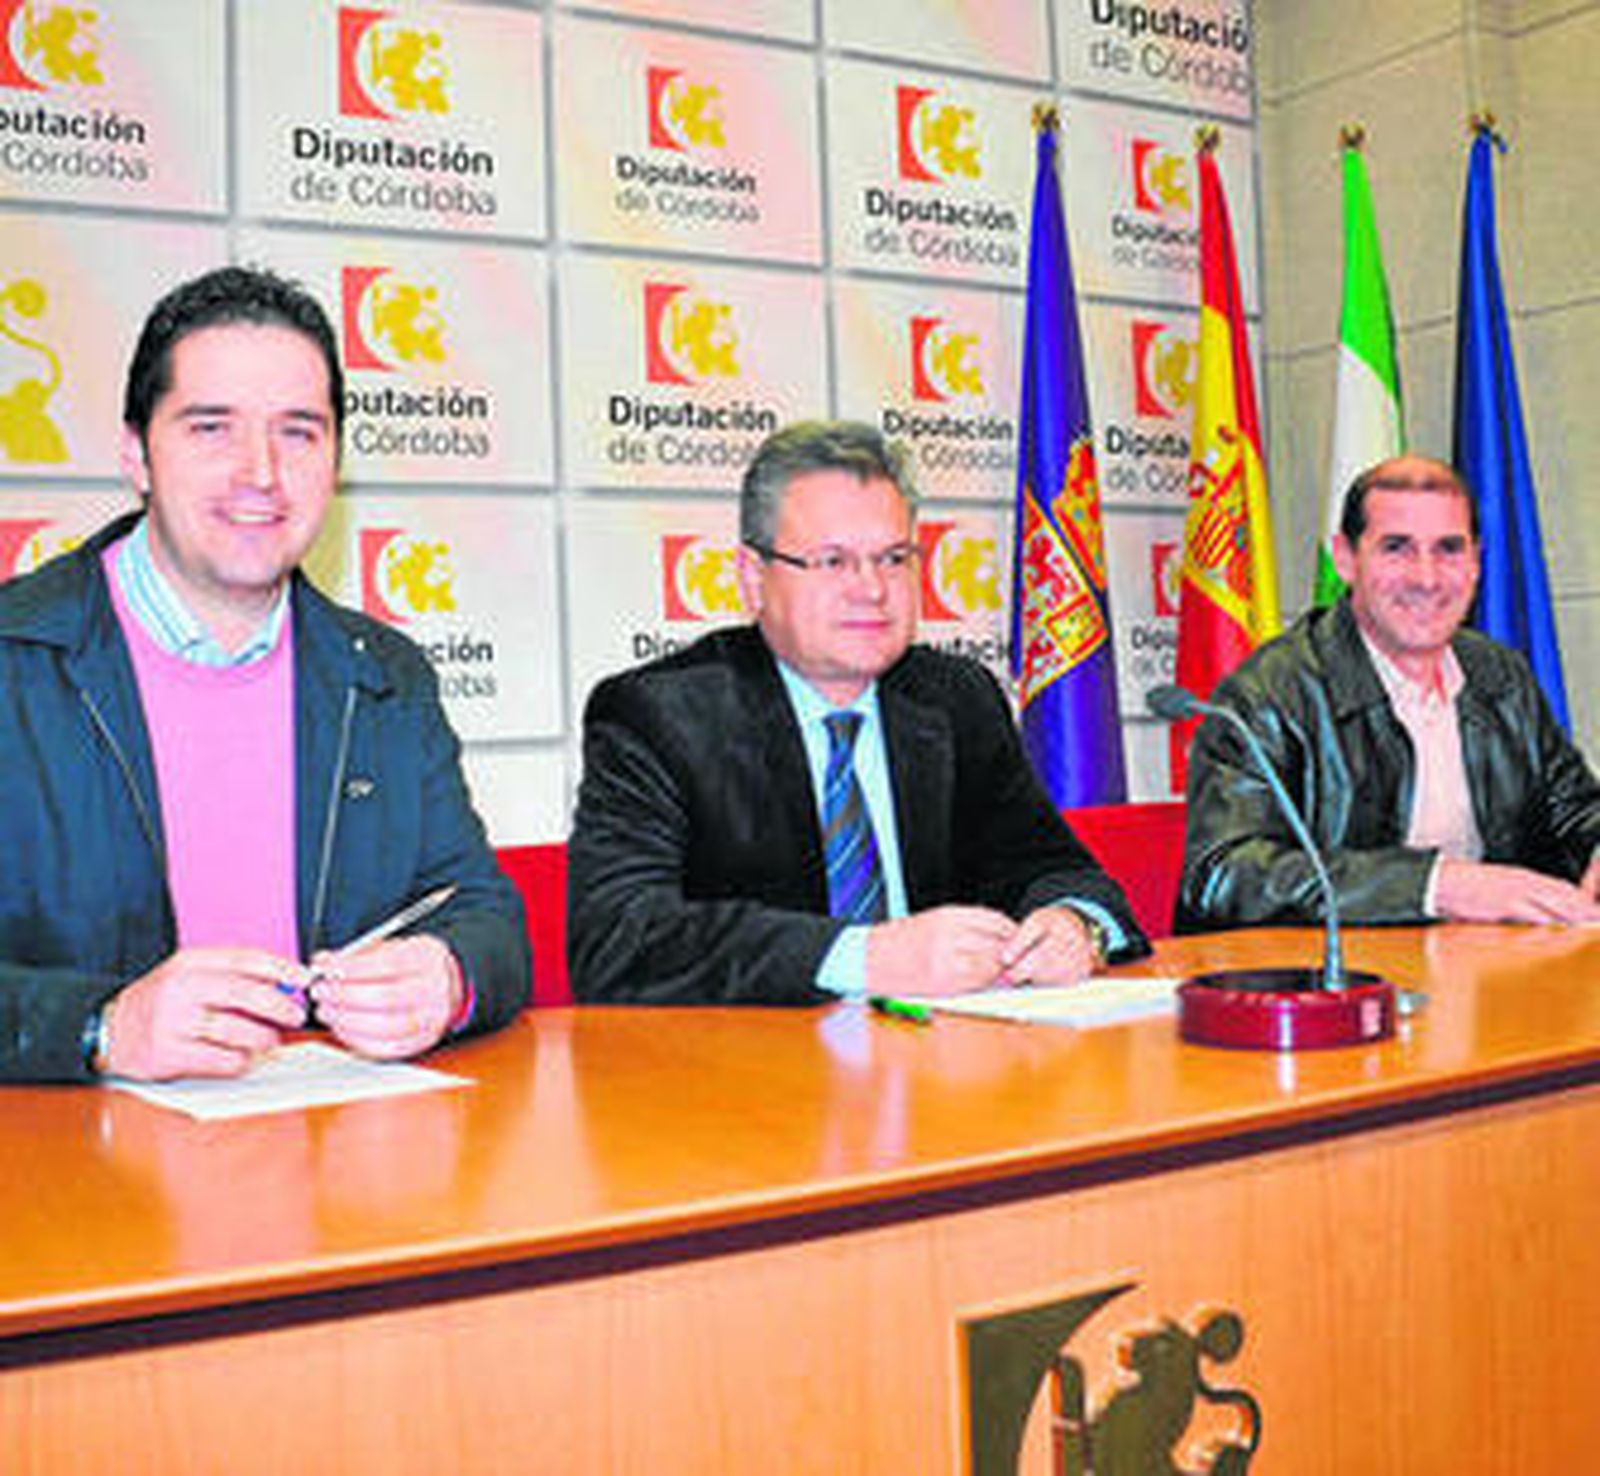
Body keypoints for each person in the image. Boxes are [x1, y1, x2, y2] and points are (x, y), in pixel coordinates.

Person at [0, 266, 529, 1083]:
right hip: (64, 1185)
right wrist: (98, 1026)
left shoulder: (384, 677)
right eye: (211, 428)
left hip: (333, 1175)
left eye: (298, 431)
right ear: (136, 454)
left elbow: (484, 914)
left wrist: (449, 978)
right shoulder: (14, 659)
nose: (261, 473)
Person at [568, 420, 1148, 1004]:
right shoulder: (661, 716)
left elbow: (1059, 871)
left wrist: (1077, 926)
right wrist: (862, 957)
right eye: (833, 562)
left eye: (894, 558)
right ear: (752, 578)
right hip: (759, 1078)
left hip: (948, 1069)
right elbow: (619, 939)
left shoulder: (955, 698)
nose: (871, 589)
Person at [1177, 452, 1600, 931]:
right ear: (1345, 558)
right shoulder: (1266, 694)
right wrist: (1435, 886)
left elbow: (1574, 813)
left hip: (1497, 975)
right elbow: (1224, 877)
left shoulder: (1500, 676)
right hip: (1340, 987)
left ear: (1477, 562)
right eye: (1397, 548)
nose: (1426, 577)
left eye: (1449, 548)